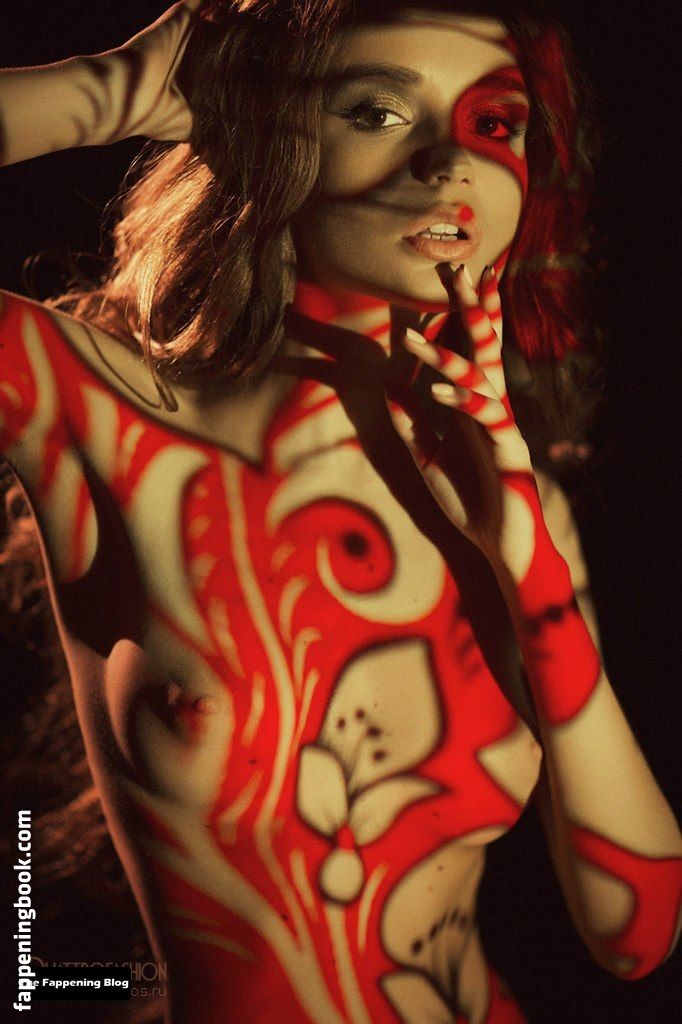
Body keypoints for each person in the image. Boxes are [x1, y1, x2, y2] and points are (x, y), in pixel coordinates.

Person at [1, 2, 680, 1022]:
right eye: (376, 112)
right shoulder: (94, 415)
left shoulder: (516, 506)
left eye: (494, 123)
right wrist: (116, 93)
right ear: (272, 139)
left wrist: (530, 567)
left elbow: (636, 938)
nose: (449, 162)